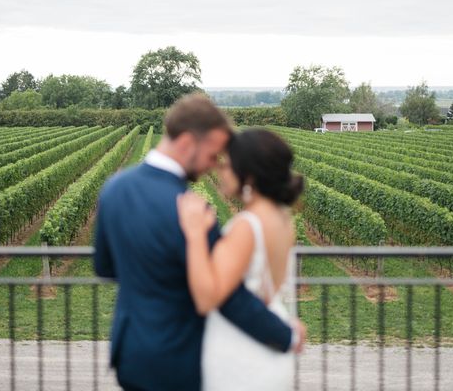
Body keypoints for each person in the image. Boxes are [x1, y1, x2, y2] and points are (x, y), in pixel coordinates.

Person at [93, 93, 305, 391]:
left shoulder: (114, 188)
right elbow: (228, 297)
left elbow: (104, 267)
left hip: (131, 353)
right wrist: (286, 336)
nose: (212, 166)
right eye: (211, 155)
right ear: (187, 143)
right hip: (179, 358)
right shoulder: (192, 210)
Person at [177, 128, 304, 390]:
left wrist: (195, 234)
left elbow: (207, 297)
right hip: (269, 344)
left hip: (240, 352)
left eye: (226, 166)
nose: (219, 172)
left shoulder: (247, 226)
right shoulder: (283, 219)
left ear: (248, 175)